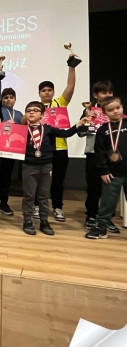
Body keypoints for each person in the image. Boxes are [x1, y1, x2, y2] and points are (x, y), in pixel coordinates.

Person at [22, 101, 86, 236]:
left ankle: (44, 221)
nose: (31, 112)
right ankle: (27, 221)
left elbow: (66, 133)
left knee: (43, 196)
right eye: (28, 110)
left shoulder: (48, 129)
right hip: (29, 166)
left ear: (42, 114)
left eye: (35, 110)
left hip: (46, 166)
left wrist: (78, 125)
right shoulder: (22, 130)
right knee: (29, 195)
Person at [26, 55, 78, 222]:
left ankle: (57, 207)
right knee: (38, 179)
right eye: (43, 90)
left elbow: (70, 86)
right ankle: (36, 206)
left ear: (53, 92)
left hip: (60, 148)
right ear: (39, 93)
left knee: (58, 180)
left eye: (49, 90)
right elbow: (24, 122)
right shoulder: (35, 108)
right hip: (40, 149)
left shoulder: (60, 103)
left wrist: (72, 67)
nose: (47, 92)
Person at [86, 96, 127, 240]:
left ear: (122, 107)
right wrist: (104, 170)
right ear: (104, 113)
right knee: (107, 202)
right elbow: (99, 153)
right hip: (112, 173)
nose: (115, 111)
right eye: (110, 110)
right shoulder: (103, 130)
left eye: (118, 108)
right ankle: (101, 228)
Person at [80, 80, 114, 229]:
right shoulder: (89, 111)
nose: (108, 95)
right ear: (95, 95)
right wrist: (87, 121)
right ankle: (91, 215)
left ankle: (107, 218)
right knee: (93, 187)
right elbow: (81, 133)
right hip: (93, 153)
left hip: (111, 155)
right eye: (104, 92)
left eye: (110, 92)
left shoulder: (115, 111)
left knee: (110, 188)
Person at [0, 87, 23, 216]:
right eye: (6, 97)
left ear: (15, 99)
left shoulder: (19, 114)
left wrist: (16, 126)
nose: (8, 100)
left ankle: (3, 203)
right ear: (2, 99)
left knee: (6, 178)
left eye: (11, 97)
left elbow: (23, 130)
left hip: (11, 150)